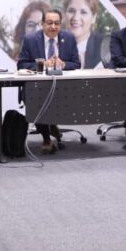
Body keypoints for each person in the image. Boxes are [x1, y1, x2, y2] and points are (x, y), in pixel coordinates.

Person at [17, 9, 81, 153]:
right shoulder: (30, 39)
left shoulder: (69, 38)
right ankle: (47, 138)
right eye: (49, 23)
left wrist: (63, 64)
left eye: (57, 23)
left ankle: (51, 127)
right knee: (38, 100)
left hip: (63, 87)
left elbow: (76, 64)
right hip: (37, 88)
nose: (53, 27)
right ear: (42, 24)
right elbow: (21, 64)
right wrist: (42, 64)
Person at [64, 0, 104, 69]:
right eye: (71, 11)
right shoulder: (53, 46)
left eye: (83, 12)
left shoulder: (105, 48)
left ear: (93, 17)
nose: (76, 18)